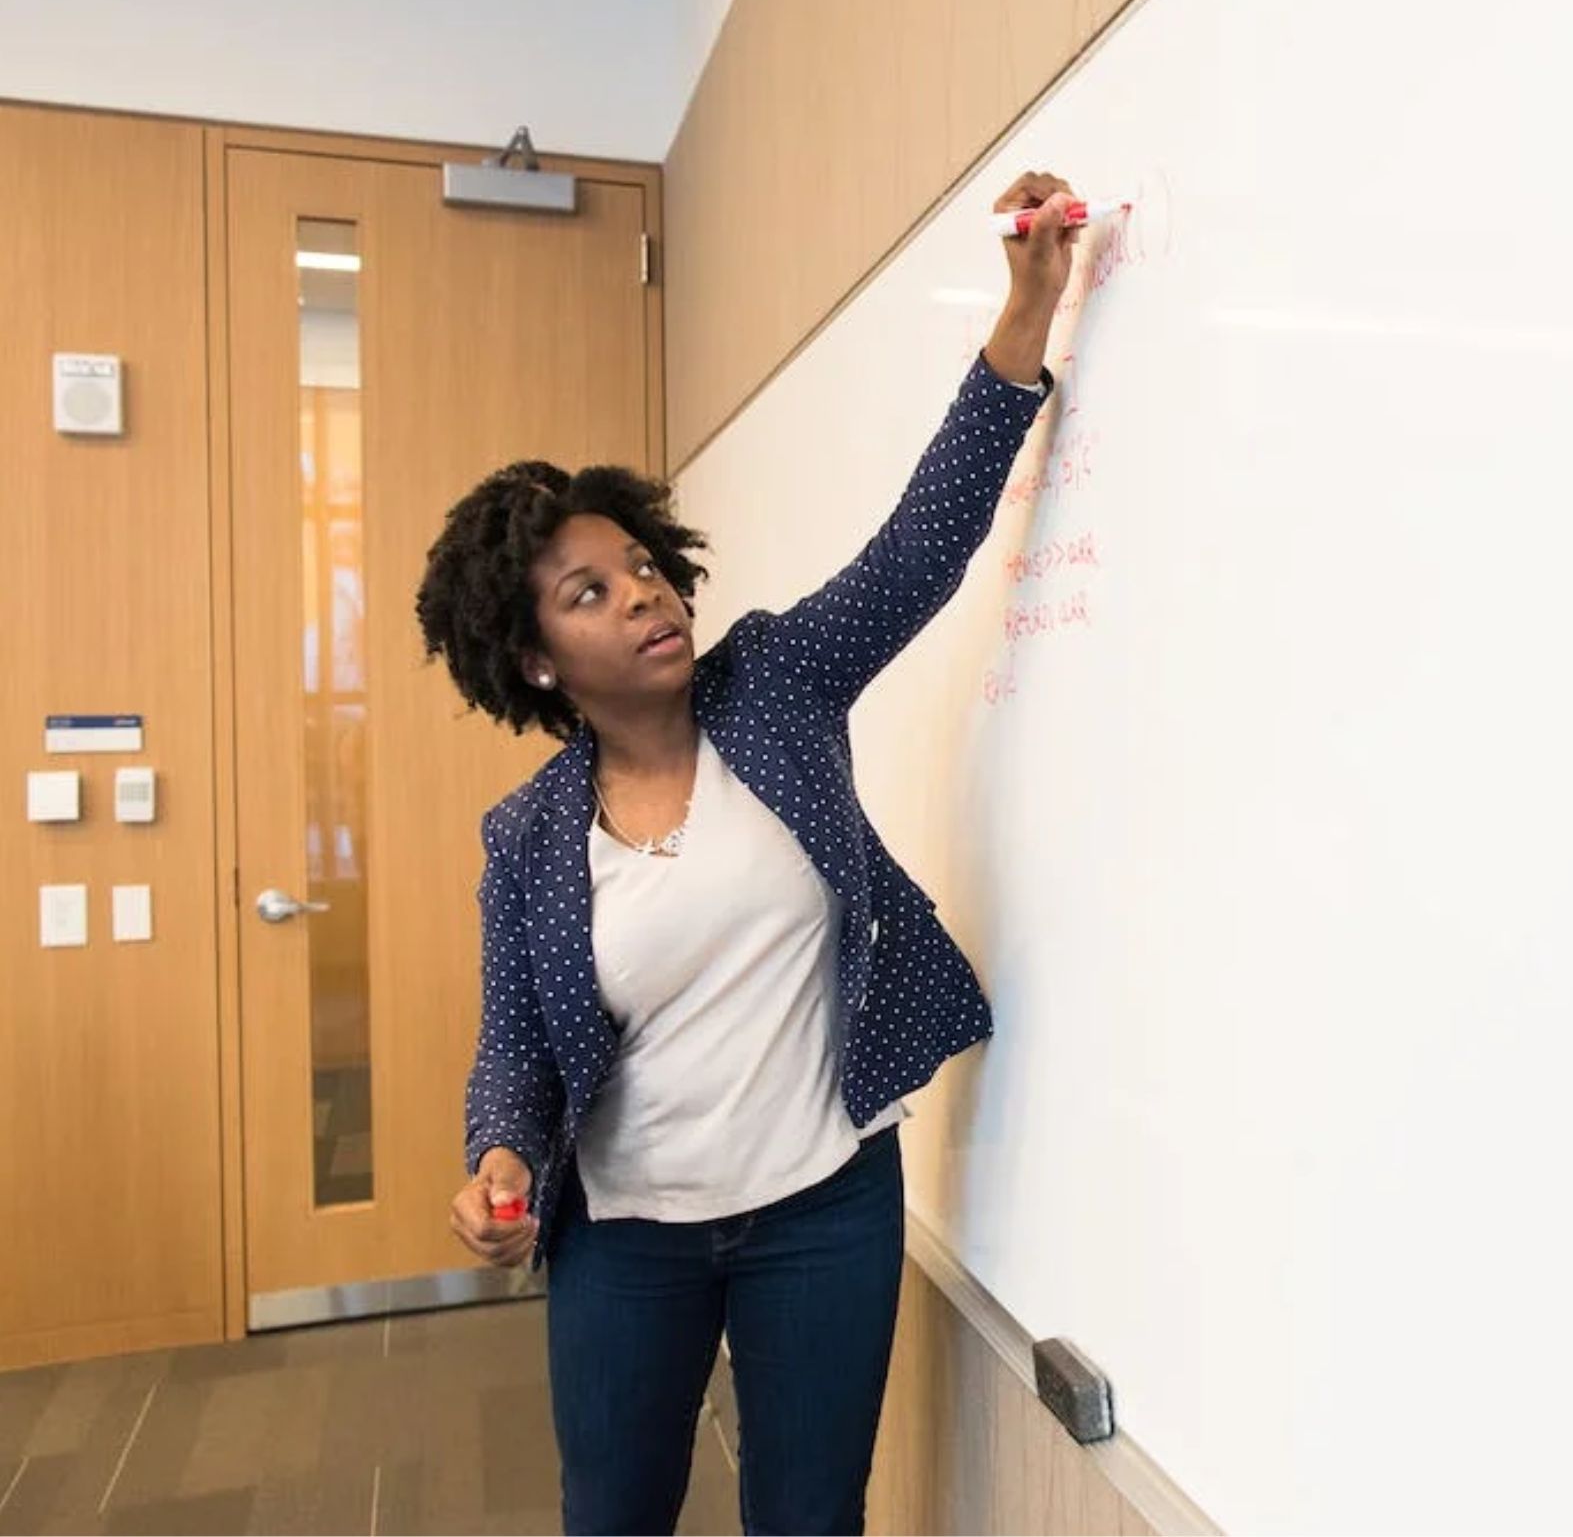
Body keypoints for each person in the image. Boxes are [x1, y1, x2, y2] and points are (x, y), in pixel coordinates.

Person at [416, 171, 1079, 1536]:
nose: (643, 594)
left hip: (824, 1206)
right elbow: (515, 1047)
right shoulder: (530, 834)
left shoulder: (772, 686)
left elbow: (918, 548)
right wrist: (495, 1154)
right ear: (537, 659)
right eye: (589, 593)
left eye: (640, 566)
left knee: (808, 1513)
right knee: (614, 1512)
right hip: (626, 1236)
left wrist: (1025, 312)